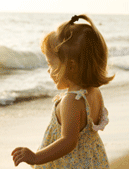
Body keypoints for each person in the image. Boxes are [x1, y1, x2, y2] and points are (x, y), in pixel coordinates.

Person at [11, 14, 114, 168]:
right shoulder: (94, 92)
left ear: (70, 66)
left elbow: (69, 142)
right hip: (91, 161)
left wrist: (35, 157)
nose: (48, 70)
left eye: (51, 64)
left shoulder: (72, 101)